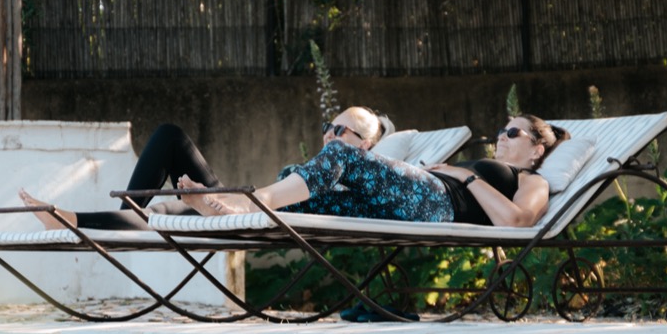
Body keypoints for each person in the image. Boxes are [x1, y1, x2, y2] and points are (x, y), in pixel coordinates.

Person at [20, 106, 396, 231]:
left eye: (339, 129)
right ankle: (103, 224)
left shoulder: (364, 175)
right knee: (169, 139)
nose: (328, 134)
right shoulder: (328, 164)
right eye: (327, 127)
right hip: (239, 203)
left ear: (364, 144)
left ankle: (90, 224)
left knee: (163, 209)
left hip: (247, 213)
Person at [179, 114, 569, 227]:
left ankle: (250, 206)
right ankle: (226, 205)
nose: (501, 134)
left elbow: (517, 222)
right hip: (414, 199)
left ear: (536, 149)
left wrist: (466, 176)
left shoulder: (531, 179)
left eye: (512, 131)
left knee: (344, 154)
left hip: (439, 204)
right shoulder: (491, 164)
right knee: (311, 194)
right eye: (502, 129)